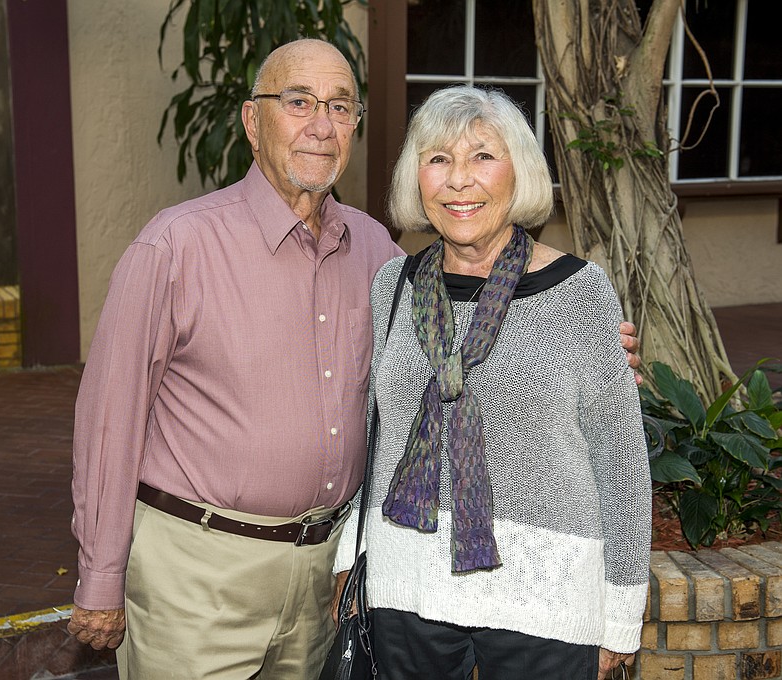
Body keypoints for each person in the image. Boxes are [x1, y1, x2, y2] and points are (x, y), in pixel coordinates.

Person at [68, 39, 640, 679]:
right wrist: (100, 576)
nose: (321, 125)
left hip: (320, 579)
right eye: (298, 102)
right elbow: (110, 420)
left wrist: (596, 351)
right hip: (199, 574)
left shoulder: (376, 256)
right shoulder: (176, 246)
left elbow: (461, 339)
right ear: (253, 122)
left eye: (339, 107)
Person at [333, 85, 651, 680]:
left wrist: (621, 613)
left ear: (519, 171)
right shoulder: (392, 286)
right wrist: (352, 555)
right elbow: (378, 434)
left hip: (544, 600)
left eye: (482, 156)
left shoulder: (581, 293)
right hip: (407, 586)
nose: (459, 180)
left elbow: (621, 464)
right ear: (416, 178)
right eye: (438, 159)